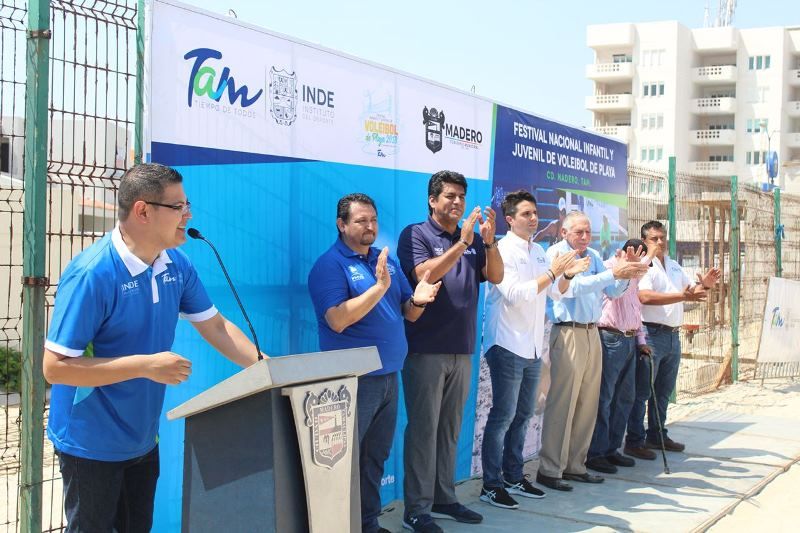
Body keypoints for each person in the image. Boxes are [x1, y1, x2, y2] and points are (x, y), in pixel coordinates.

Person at [42, 163, 267, 533]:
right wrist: (145, 366)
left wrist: (266, 367)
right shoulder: (93, 274)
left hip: (142, 438)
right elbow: (56, 368)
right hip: (90, 443)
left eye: (186, 204)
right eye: (177, 207)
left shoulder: (176, 263)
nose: (188, 214)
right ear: (142, 211)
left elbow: (215, 325)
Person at [307, 193, 441, 533]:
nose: (370, 227)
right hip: (351, 380)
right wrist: (379, 288)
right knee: (345, 461)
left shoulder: (386, 262)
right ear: (341, 224)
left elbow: (407, 313)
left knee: (374, 457)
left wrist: (419, 300)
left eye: (373, 220)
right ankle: (341, 525)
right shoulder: (330, 265)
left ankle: (368, 523)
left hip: (388, 376)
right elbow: (337, 319)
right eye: (360, 221)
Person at [397, 170, 503, 532]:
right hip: (426, 350)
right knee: (424, 430)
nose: (457, 202)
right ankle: (416, 509)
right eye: (449, 196)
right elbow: (425, 275)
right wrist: (462, 243)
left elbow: (497, 276)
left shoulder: (471, 239)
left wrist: (488, 243)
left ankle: (444, 497)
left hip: (462, 348)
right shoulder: (416, 234)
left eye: (461, 196)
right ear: (432, 200)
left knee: (449, 430)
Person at [479, 190, 588, 509]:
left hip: (530, 346)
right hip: (505, 343)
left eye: (535, 213)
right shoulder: (501, 250)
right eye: (526, 214)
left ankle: (513, 476)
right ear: (510, 219)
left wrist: (565, 274)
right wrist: (553, 272)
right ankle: (491, 483)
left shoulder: (539, 250)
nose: (533, 218)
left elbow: (555, 293)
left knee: (524, 414)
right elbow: (515, 294)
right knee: (503, 415)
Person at [536, 211, 648, 492]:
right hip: (569, 331)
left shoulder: (594, 255)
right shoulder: (556, 255)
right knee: (563, 403)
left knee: (588, 404)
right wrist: (613, 273)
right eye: (579, 232)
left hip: (591, 332)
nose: (585, 237)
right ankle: (550, 468)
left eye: (588, 232)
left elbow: (613, 291)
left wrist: (625, 274)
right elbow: (571, 288)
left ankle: (576, 464)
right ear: (564, 232)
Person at [624, 221, 721, 459]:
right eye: (654, 239)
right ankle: (635, 440)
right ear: (644, 241)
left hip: (672, 335)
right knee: (643, 391)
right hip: (651, 334)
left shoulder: (675, 265)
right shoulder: (645, 267)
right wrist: (682, 294)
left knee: (664, 390)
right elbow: (644, 296)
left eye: (662, 238)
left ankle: (657, 434)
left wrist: (704, 286)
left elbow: (690, 290)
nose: (660, 243)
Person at [586, 238, 652, 475]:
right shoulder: (608, 268)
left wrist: (641, 341)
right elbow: (614, 296)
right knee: (605, 398)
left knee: (625, 398)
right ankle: (596, 452)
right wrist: (629, 269)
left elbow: (636, 308)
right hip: (610, 338)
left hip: (629, 339)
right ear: (625, 253)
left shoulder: (634, 274)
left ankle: (613, 448)